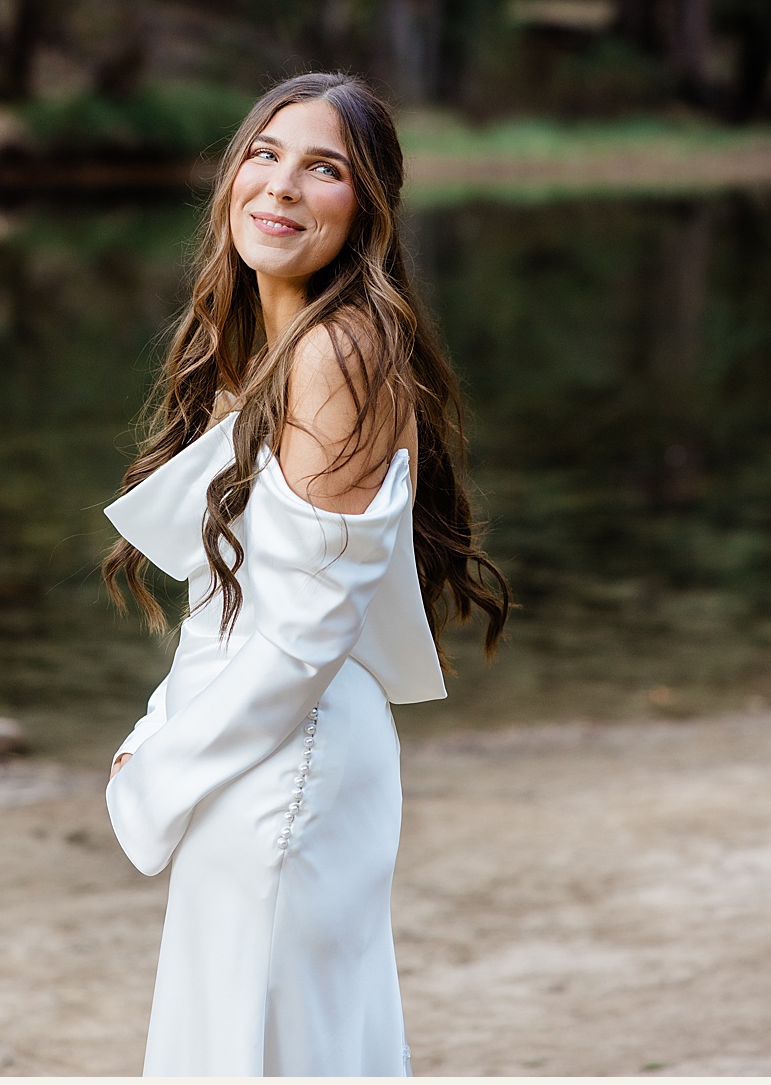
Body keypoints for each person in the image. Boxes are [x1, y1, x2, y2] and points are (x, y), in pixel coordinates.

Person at [100, 71, 510, 1075]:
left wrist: (161, 767)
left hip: (289, 757)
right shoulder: (274, 349)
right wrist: (157, 720)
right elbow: (237, 603)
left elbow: (302, 633)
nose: (279, 185)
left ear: (367, 207)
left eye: (322, 167)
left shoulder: (341, 352)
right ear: (232, 176)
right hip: (273, 741)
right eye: (264, 154)